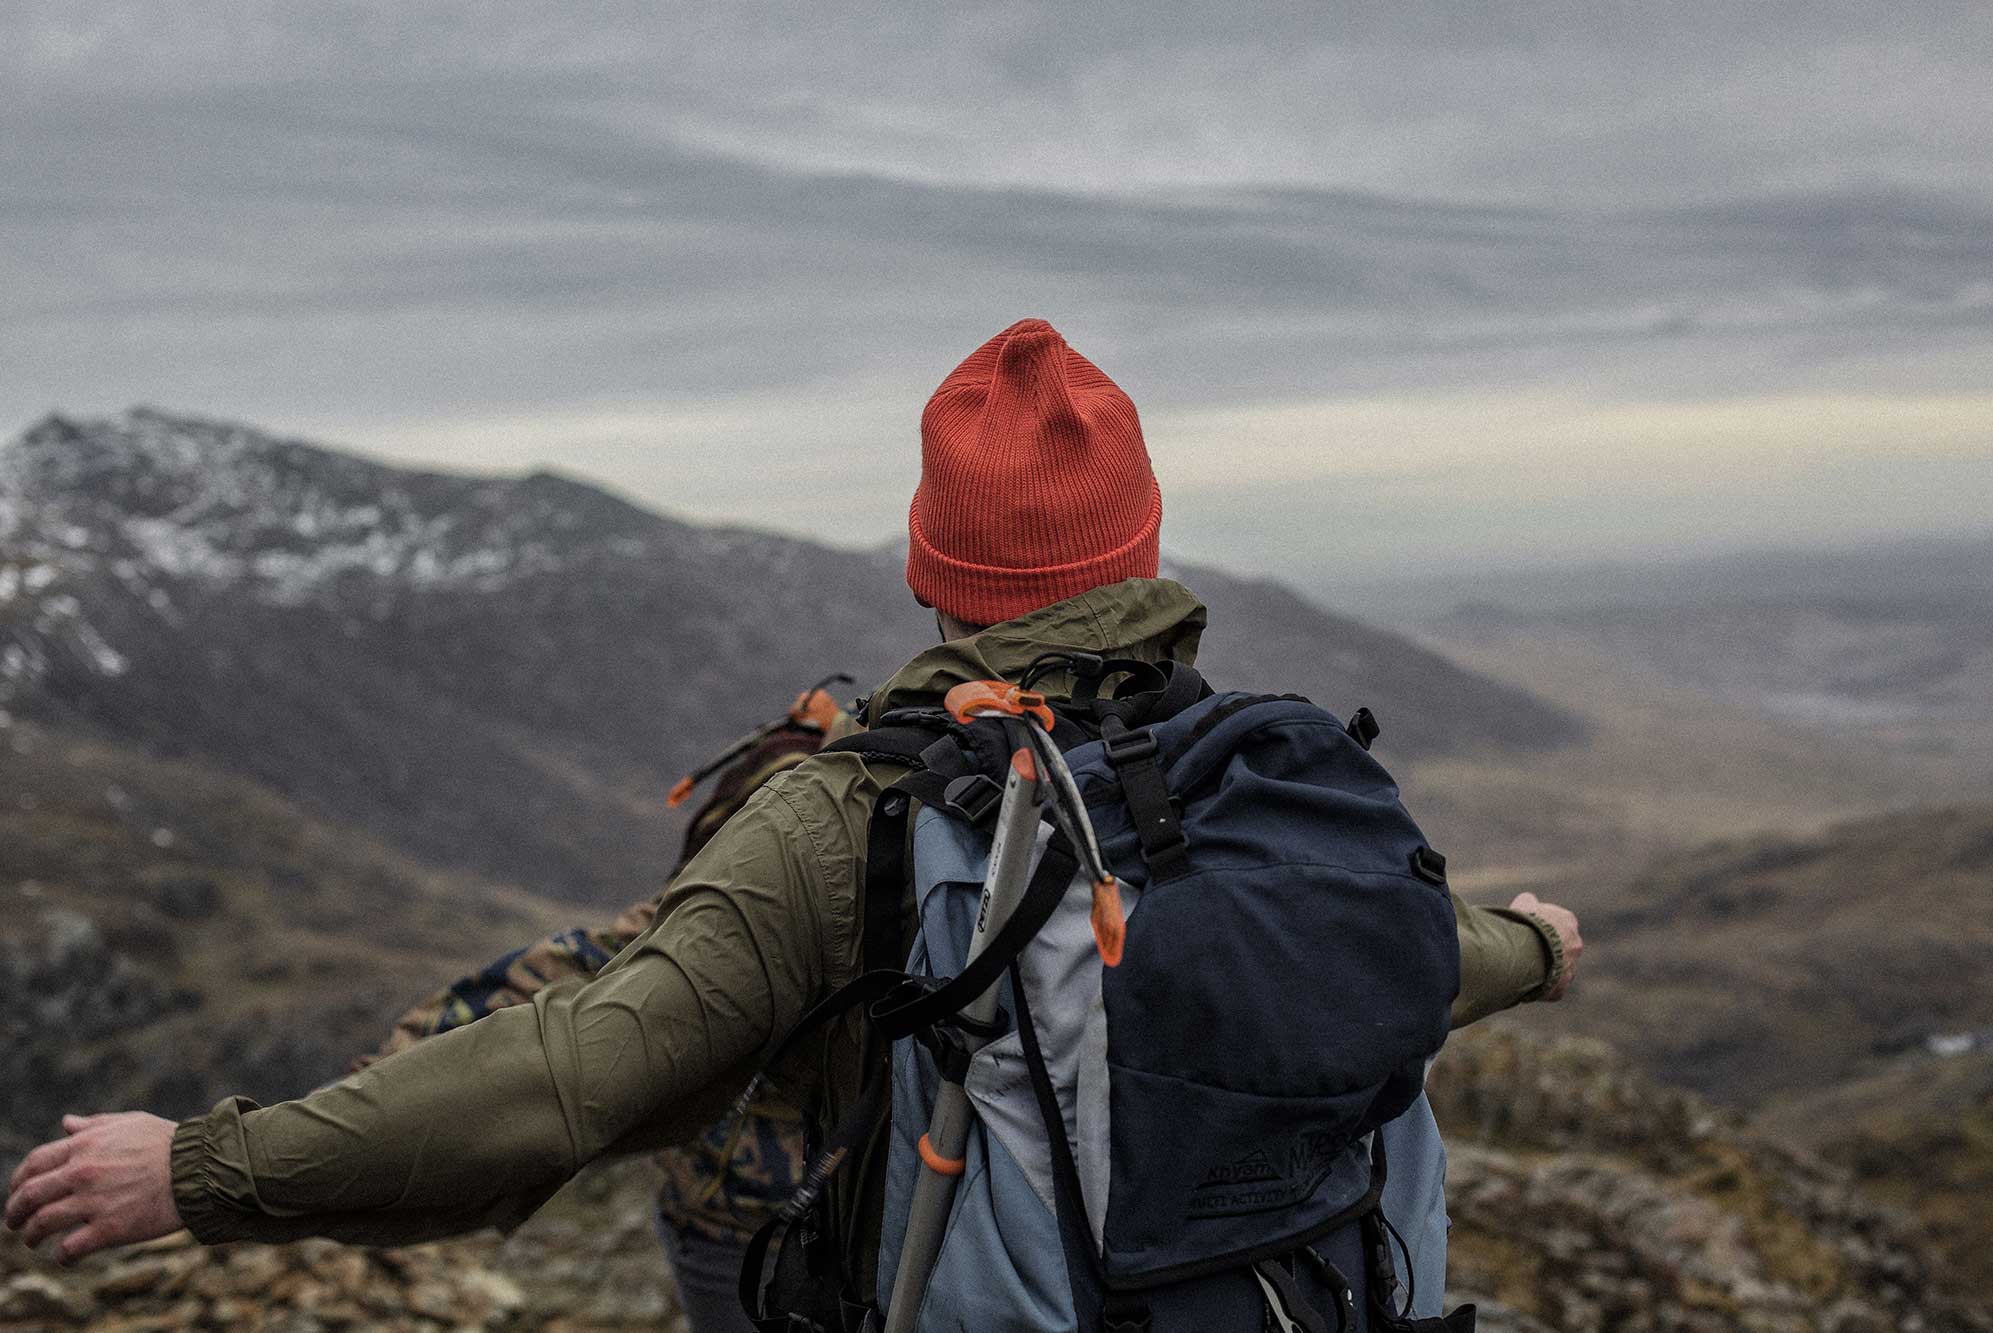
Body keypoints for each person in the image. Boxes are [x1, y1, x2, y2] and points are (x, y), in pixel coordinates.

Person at [6, 319, 1584, 1316]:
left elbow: (584, 1071)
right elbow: (1409, 954)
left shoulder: (858, 811)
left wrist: (201, 1170)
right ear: (1146, 546)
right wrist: (1531, 943)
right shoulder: (1249, 764)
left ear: (929, 570)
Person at [353, 681, 855, 1333]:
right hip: (737, 1222)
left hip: (795, 1210)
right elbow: (571, 971)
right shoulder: (733, 890)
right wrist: (377, 1093)